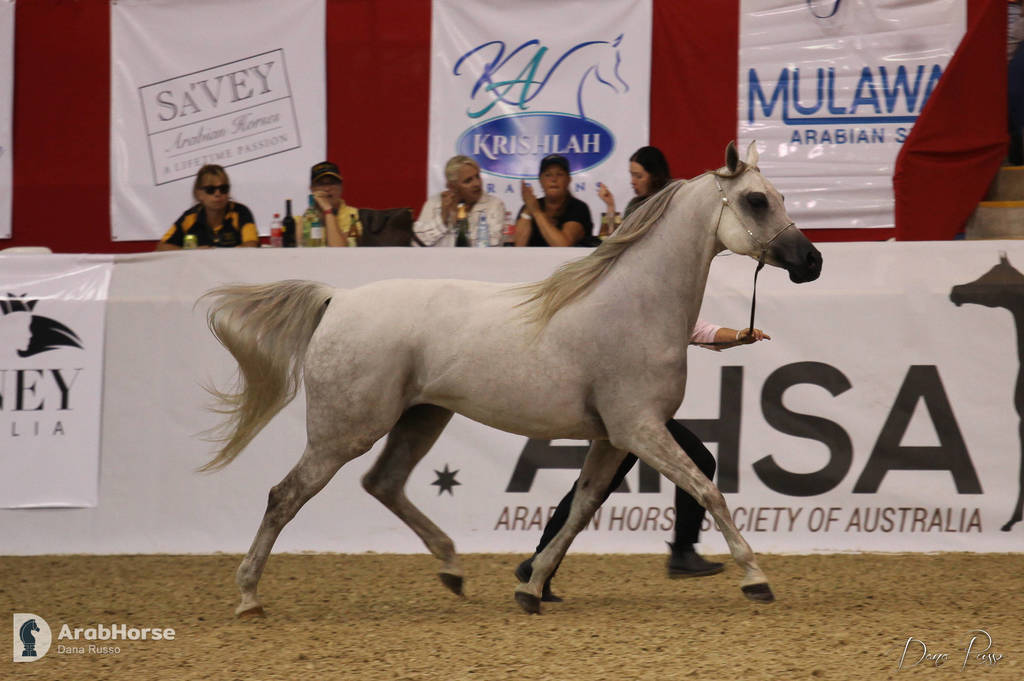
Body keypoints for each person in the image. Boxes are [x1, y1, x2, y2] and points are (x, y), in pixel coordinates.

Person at [515, 322, 771, 602]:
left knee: (591, 490)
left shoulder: (655, 310)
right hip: (627, 415)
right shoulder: (621, 315)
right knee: (598, 489)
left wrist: (738, 336)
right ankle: (683, 552)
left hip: (638, 413)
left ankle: (537, 566)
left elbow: (697, 331)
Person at [157, 164, 258, 249]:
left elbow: (252, 245)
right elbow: (162, 247)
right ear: (198, 194)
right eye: (210, 189)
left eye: (223, 189)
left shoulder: (240, 212)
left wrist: (220, 255)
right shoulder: (189, 217)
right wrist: (190, 253)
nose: (218, 194)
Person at [413, 155, 505, 246]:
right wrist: (443, 218)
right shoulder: (434, 204)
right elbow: (417, 243)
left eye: (477, 176)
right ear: (452, 186)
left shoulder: (494, 204)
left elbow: (493, 244)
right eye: (468, 181)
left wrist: (462, 228)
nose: (477, 183)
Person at [515, 154, 594, 246]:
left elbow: (563, 245)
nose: (553, 179)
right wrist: (528, 210)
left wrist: (536, 212)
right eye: (548, 175)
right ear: (540, 180)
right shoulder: (530, 206)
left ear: (568, 179)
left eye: (559, 174)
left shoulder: (578, 207)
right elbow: (518, 246)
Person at [596, 145, 672, 235]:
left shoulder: (674, 199)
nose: (632, 181)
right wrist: (610, 205)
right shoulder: (634, 205)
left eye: (639, 176)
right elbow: (615, 240)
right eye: (632, 175)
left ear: (655, 176)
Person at [308, 161, 362, 247]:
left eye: (332, 183)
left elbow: (338, 250)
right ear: (311, 189)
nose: (327, 188)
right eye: (321, 184)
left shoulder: (354, 215)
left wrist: (328, 211)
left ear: (341, 187)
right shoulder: (304, 219)